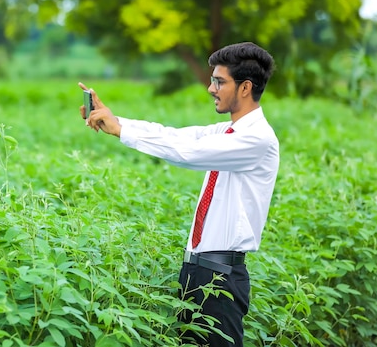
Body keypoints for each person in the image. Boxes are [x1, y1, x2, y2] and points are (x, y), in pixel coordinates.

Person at [79, 42, 279, 346]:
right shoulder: (226, 132)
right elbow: (174, 135)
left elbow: (189, 152)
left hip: (221, 278)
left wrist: (122, 131)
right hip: (197, 271)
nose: (211, 88)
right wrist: (117, 122)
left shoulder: (257, 140)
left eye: (219, 81)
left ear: (245, 87)